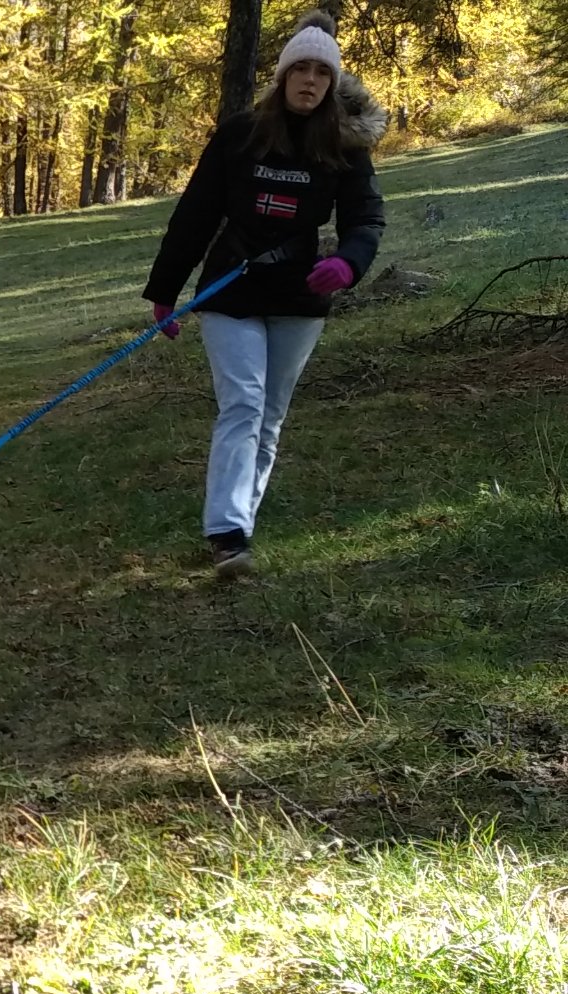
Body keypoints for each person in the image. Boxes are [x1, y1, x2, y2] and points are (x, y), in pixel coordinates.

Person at [143, 9, 386, 578]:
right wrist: (165, 291)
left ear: (332, 84)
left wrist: (348, 264)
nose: (309, 81)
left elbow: (366, 218)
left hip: (300, 296)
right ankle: (226, 533)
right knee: (244, 404)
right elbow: (196, 214)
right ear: (281, 77)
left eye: (321, 73)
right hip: (232, 289)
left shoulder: (345, 146)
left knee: (270, 414)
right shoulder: (239, 135)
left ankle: (239, 526)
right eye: (299, 69)